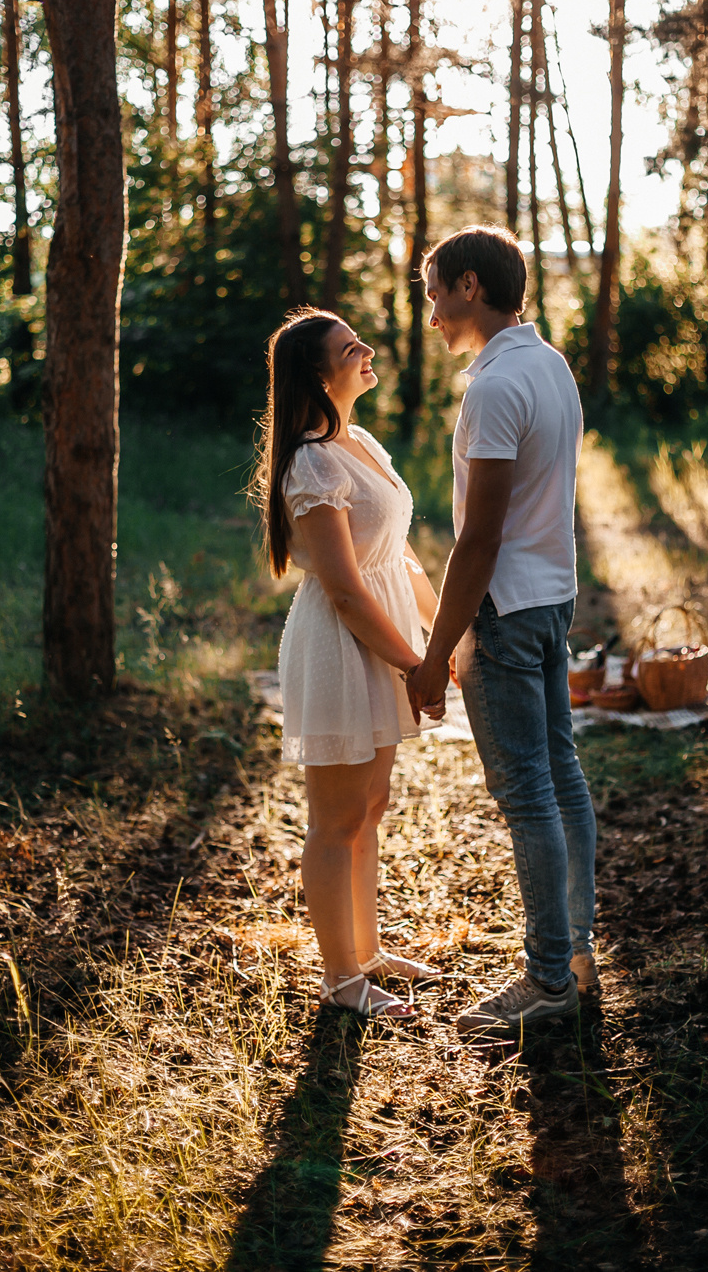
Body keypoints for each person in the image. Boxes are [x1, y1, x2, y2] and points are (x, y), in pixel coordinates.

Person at [404, 227, 598, 1038]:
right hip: (552, 601)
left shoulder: (491, 391)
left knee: (528, 797)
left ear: (471, 286)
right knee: (563, 776)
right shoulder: (549, 365)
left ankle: (549, 980)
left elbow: (477, 540)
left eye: (435, 292)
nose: (432, 312)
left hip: (507, 615)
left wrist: (435, 650)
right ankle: (576, 954)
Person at [254, 307, 444, 1019]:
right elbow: (342, 586)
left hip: (385, 640)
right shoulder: (310, 460)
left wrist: (439, 637)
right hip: (342, 647)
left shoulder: (359, 441)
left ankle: (366, 951)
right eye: (349, 347)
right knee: (335, 818)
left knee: (371, 806)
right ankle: (341, 981)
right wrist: (411, 664)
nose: (367, 351)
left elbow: (398, 557)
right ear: (317, 372)